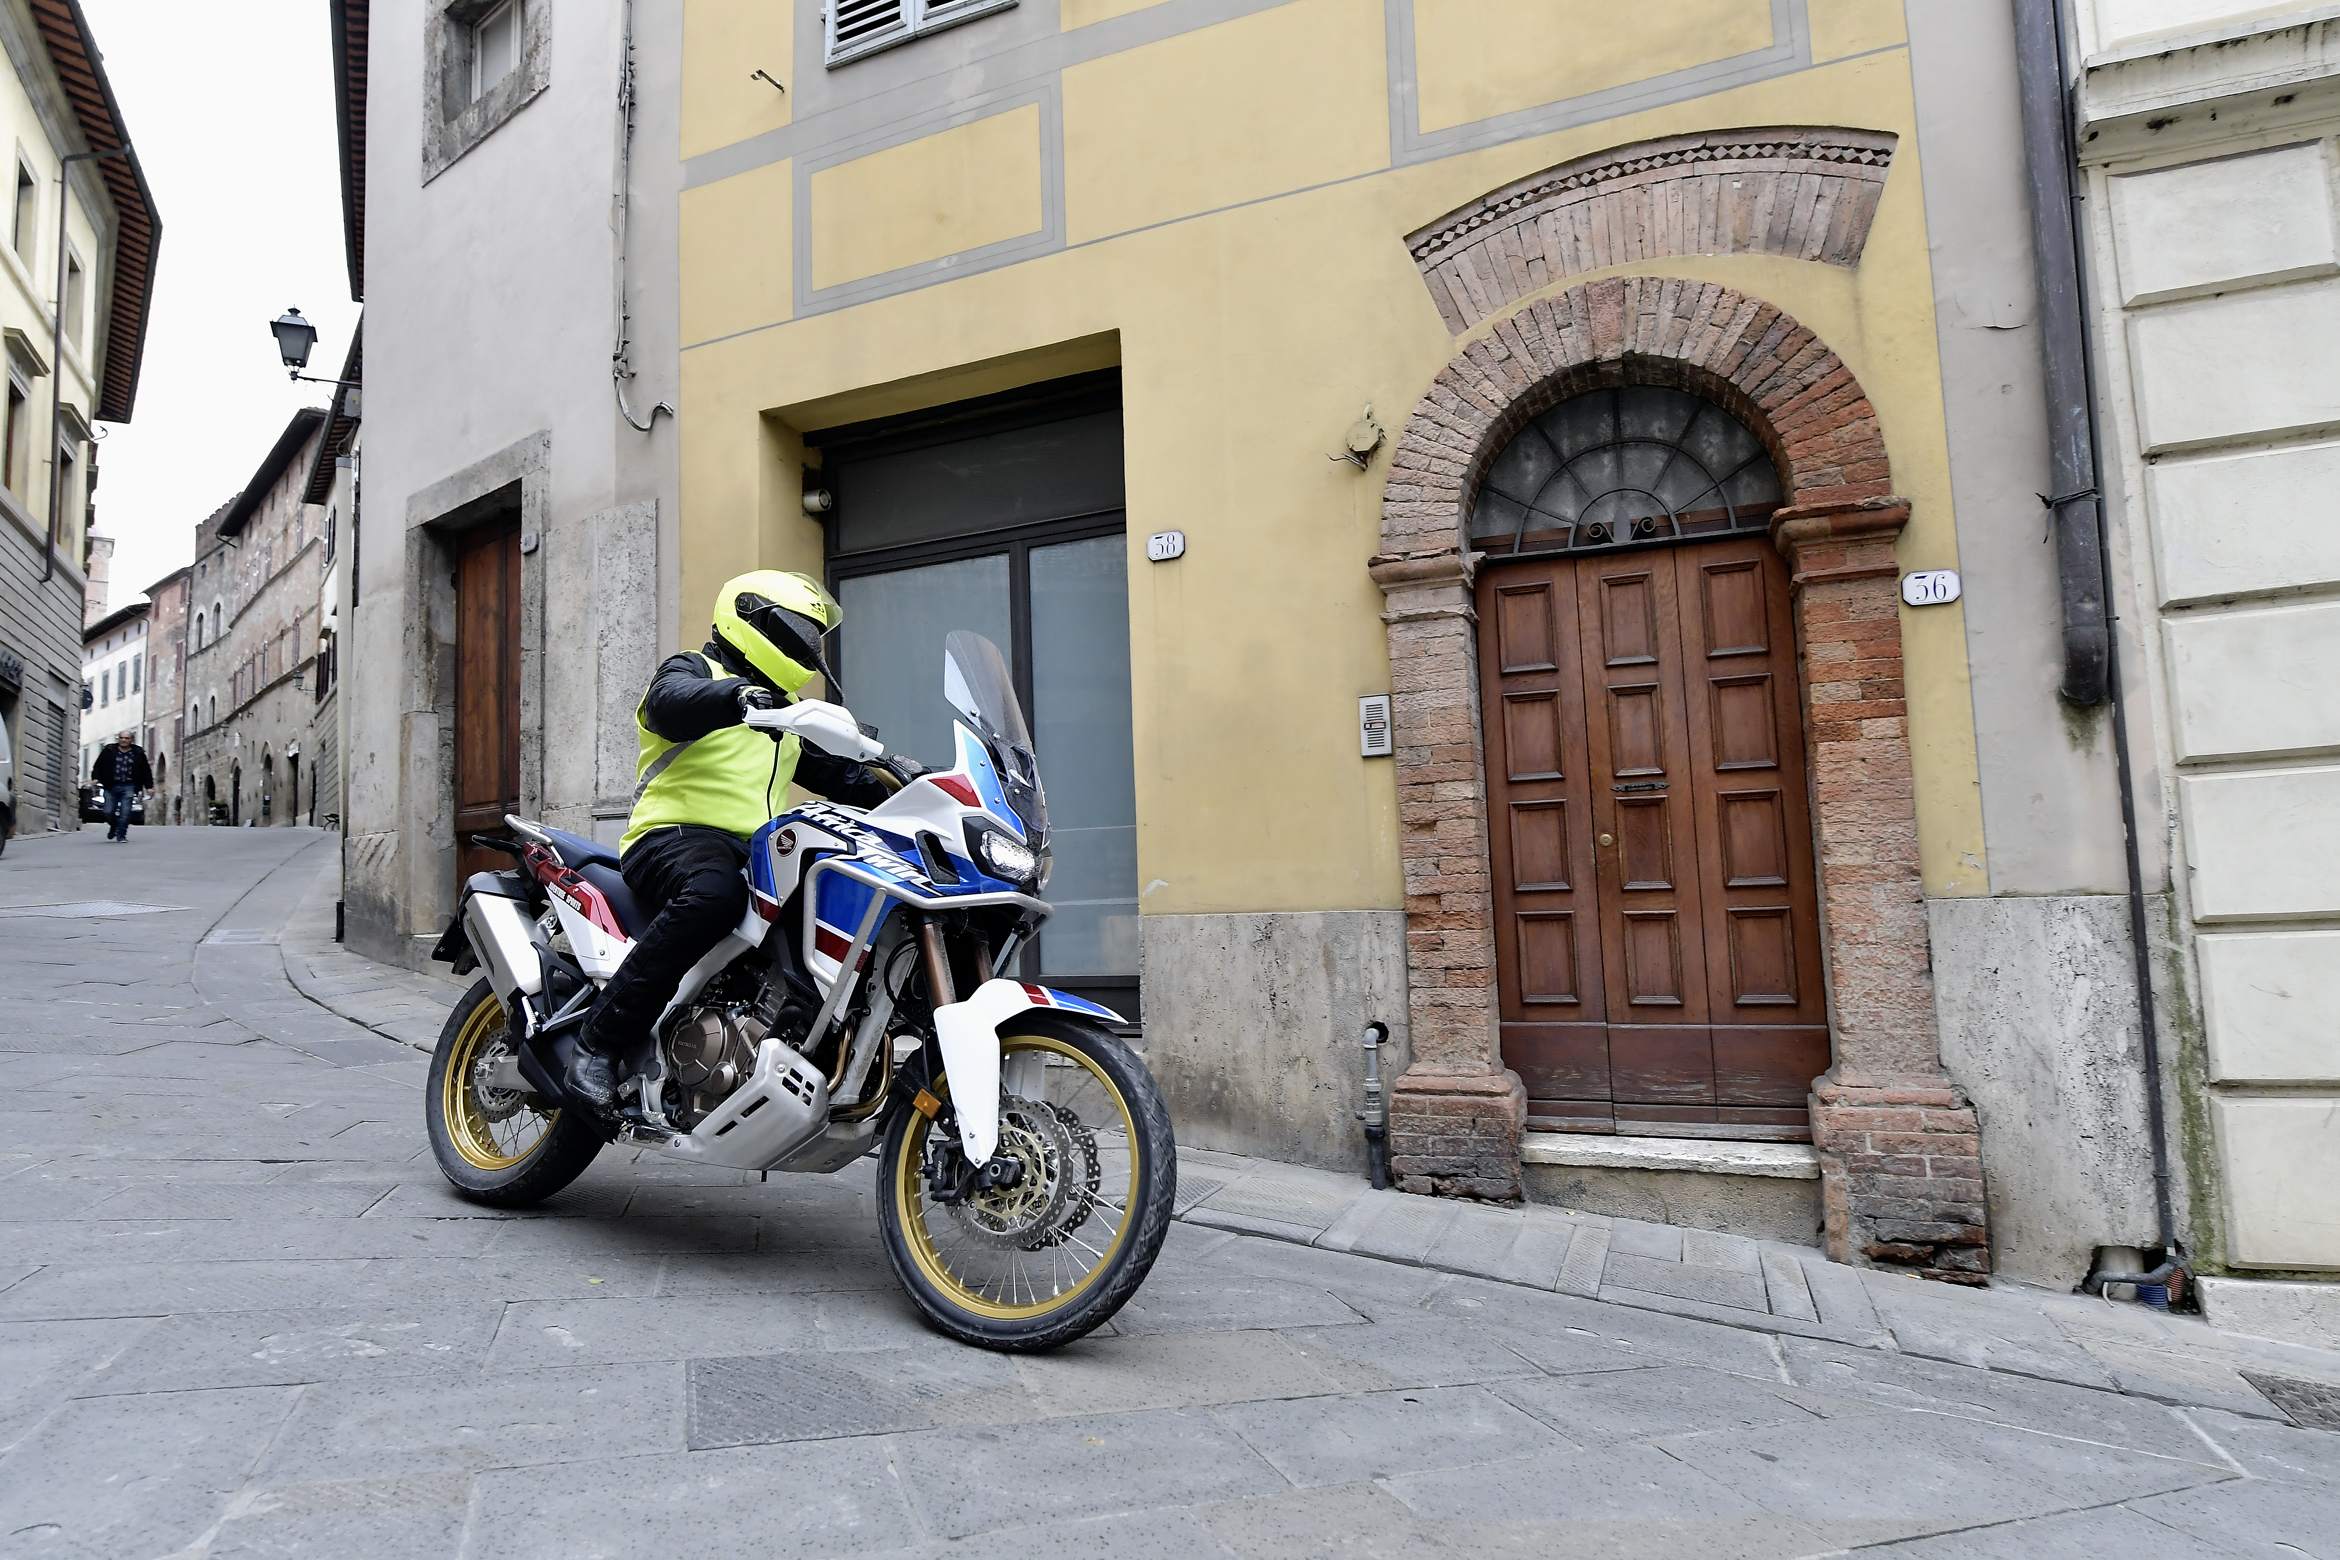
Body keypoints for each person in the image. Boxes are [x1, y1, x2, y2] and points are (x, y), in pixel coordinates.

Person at [566, 570, 901, 1111]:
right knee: (714, 894)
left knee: (836, 907)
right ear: (750, 619)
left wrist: (914, 782)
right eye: (797, 632)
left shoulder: (785, 713)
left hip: (758, 854)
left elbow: (844, 777)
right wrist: (737, 696)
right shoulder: (697, 671)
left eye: (813, 638)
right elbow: (669, 704)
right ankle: (597, 1043)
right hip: (671, 837)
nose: (808, 647)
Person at [89, 731, 153, 844]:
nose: (124, 740)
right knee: (108, 811)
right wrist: (95, 778)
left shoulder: (138, 753)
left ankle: (121, 835)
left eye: (127, 738)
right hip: (110, 786)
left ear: (131, 740)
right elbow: (98, 765)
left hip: (129, 786)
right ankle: (114, 826)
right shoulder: (109, 751)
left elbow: (145, 770)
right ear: (118, 739)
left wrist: (149, 786)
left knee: (125, 812)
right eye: (122, 738)